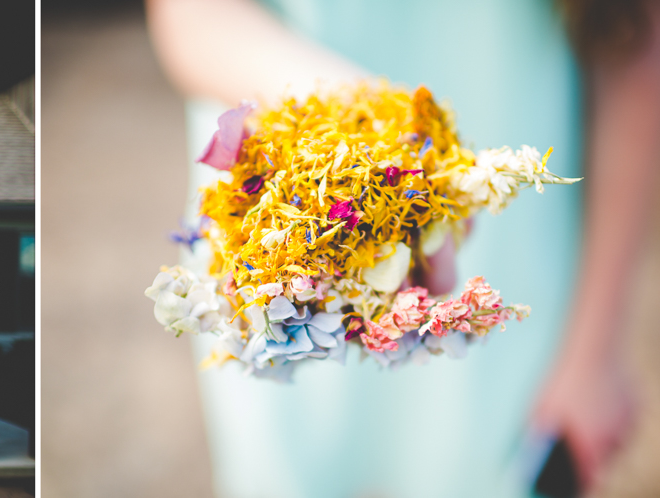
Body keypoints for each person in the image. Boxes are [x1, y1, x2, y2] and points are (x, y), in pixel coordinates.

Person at [148, 0, 660, 496]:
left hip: (510, 283)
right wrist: (354, 115)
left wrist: (595, 350)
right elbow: (191, 12)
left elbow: (630, 34)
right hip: (293, 234)